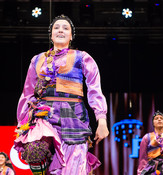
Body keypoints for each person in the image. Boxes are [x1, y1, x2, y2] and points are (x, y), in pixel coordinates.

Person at [14, 14, 109, 175]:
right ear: (50, 35)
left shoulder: (82, 57)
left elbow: (94, 88)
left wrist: (101, 121)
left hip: (74, 118)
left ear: (71, 36)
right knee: (40, 159)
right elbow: (27, 93)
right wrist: (21, 125)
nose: (60, 30)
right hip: (44, 120)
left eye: (66, 28)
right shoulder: (37, 60)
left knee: (73, 168)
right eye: (56, 28)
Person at [137, 110, 163, 175]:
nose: (159, 120)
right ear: (153, 123)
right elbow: (143, 158)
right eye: (156, 118)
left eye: (161, 118)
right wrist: (140, 172)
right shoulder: (147, 137)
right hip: (152, 167)